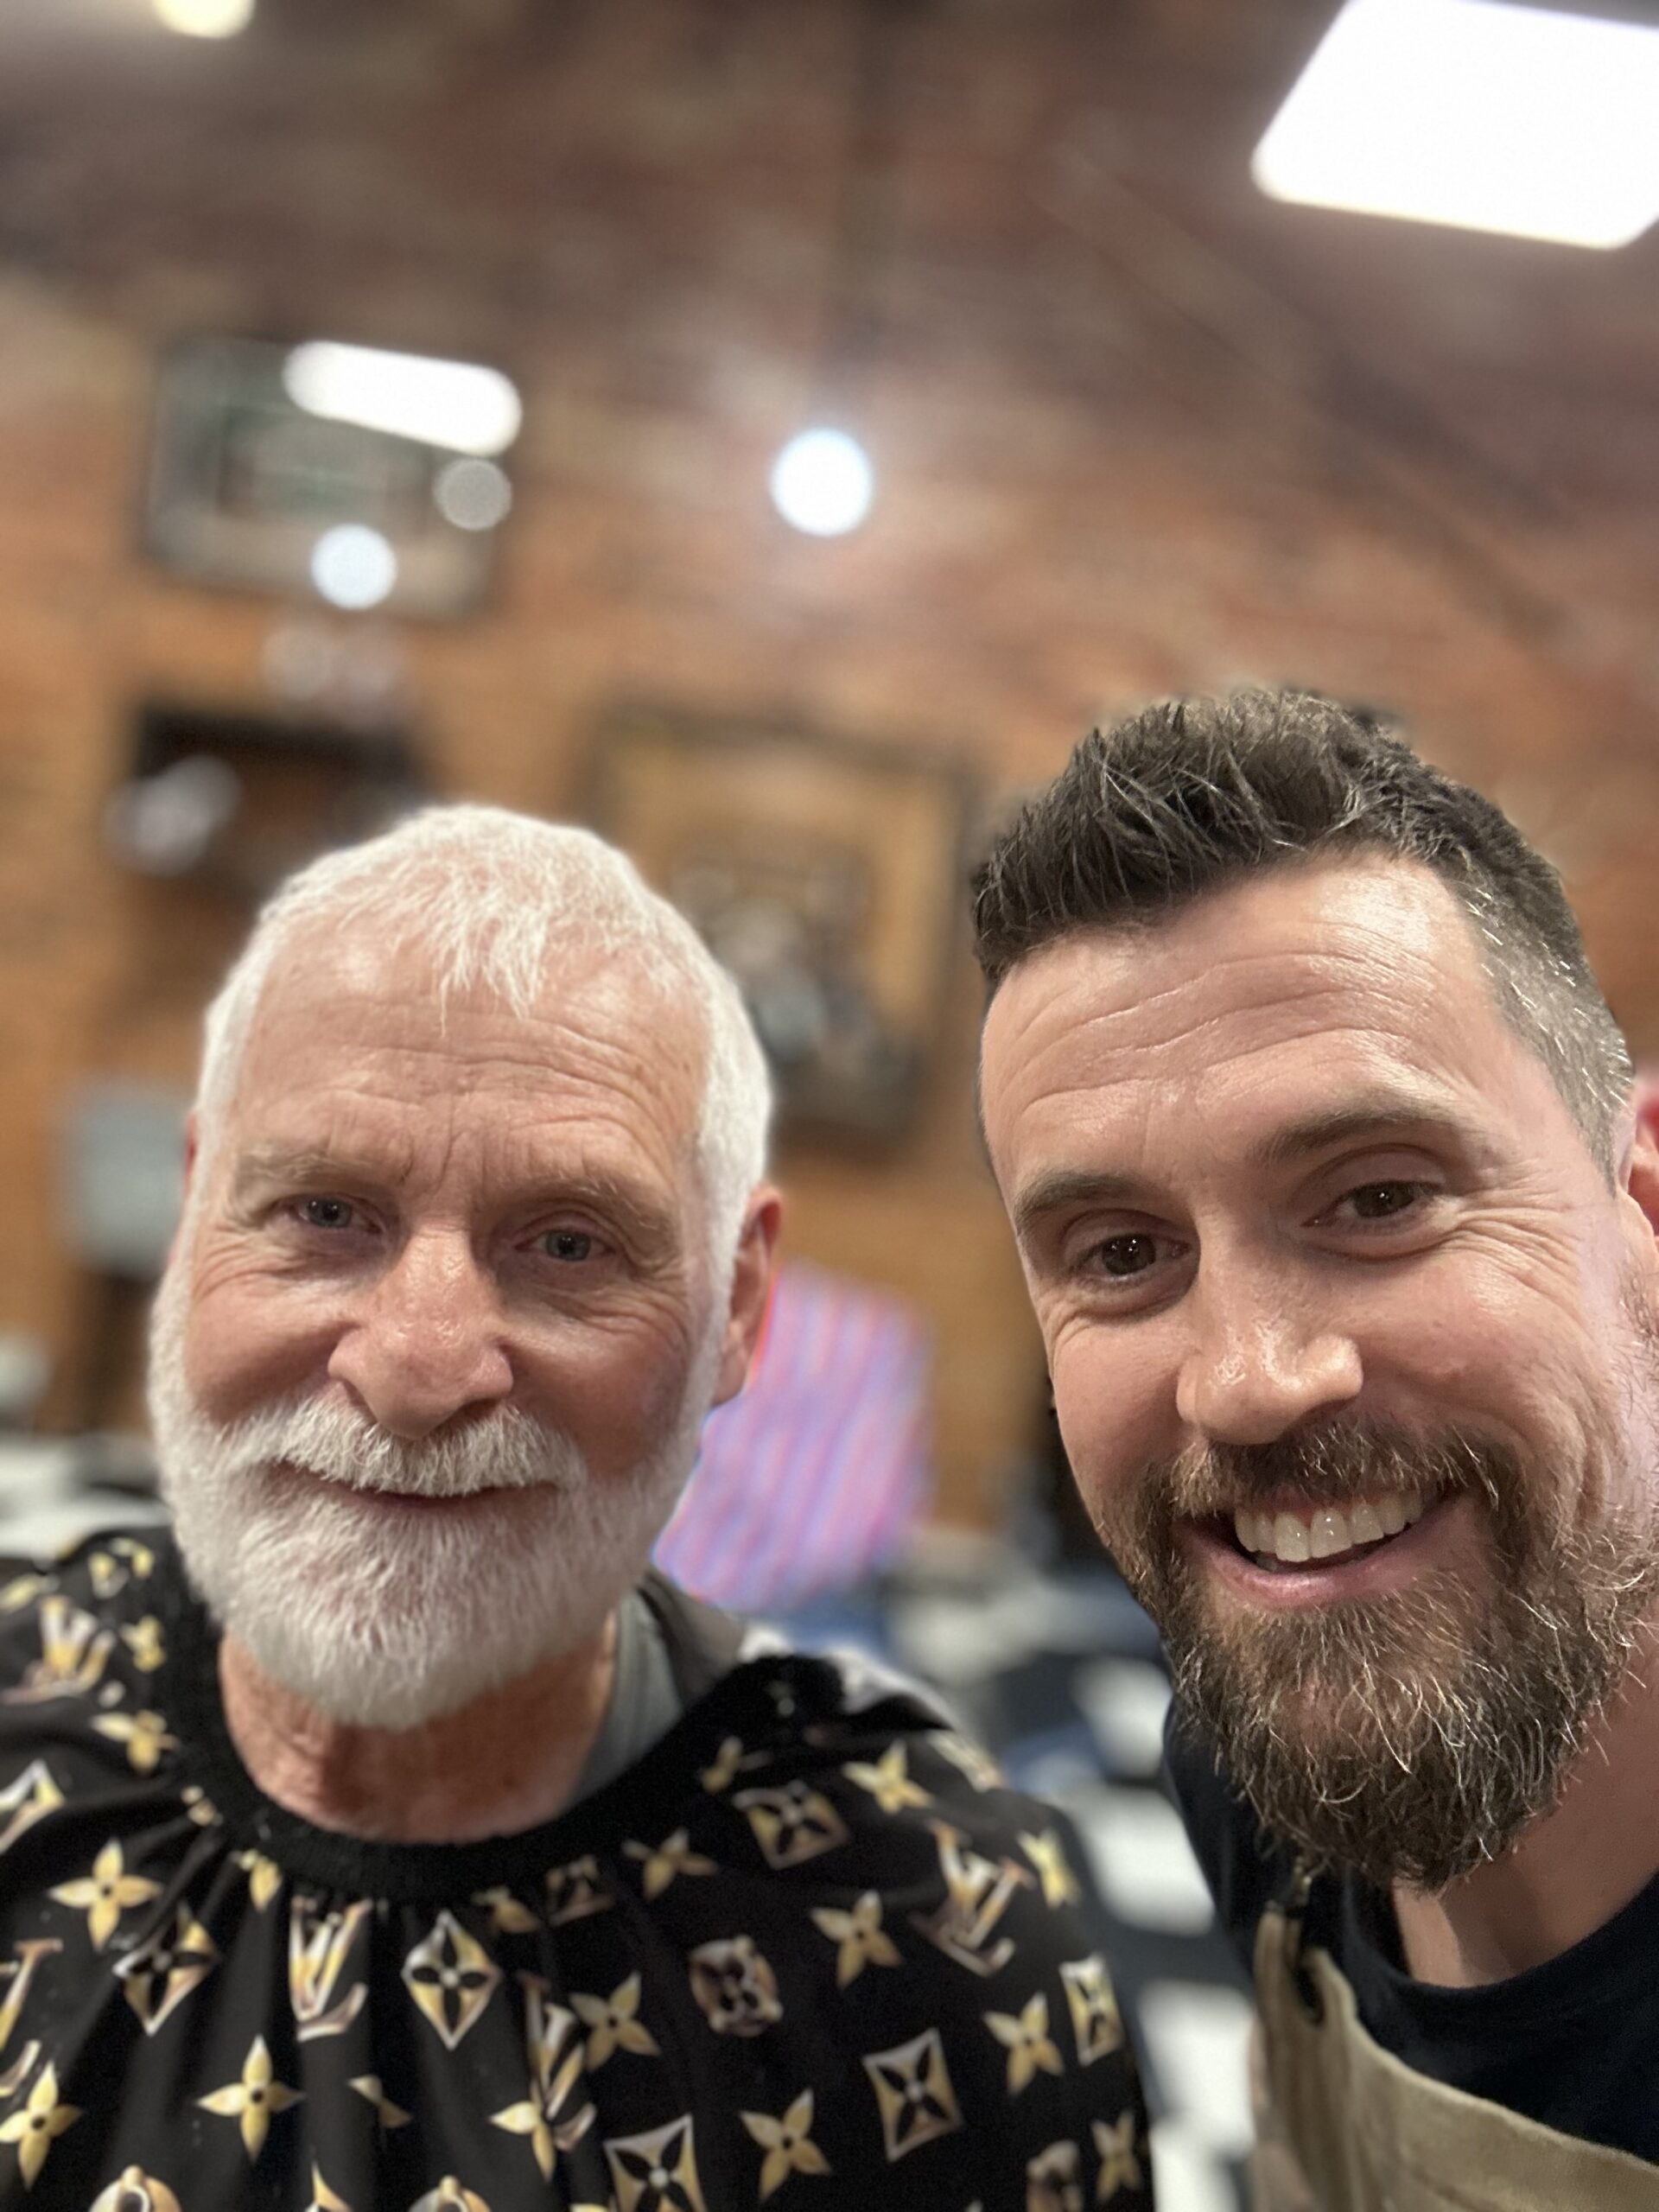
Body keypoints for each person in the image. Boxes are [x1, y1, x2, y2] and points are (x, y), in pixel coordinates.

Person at [0, 807, 1151, 2210]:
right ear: (194, 1223)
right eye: (324, 1213)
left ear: (737, 1305)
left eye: (567, 1243)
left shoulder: (936, 1944)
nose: (418, 1372)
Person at [973, 690, 1659, 2210]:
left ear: (1642, 1212)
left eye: (1379, 1198)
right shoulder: (1264, 1764)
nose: (1248, 1383)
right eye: (1121, 1253)